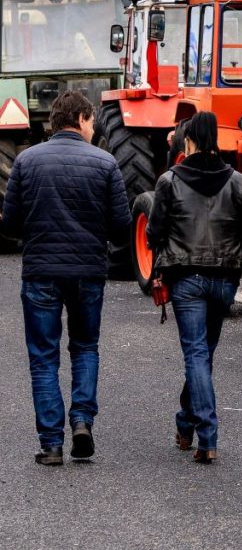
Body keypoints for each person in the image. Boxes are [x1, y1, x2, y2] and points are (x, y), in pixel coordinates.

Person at [2, 90, 130, 465]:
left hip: (41, 272)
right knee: (85, 347)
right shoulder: (105, 163)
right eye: (91, 121)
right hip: (88, 271)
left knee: (43, 358)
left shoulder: (26, 161)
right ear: (80, 119)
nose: (93, 128)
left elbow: (9, 225)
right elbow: (122, 228)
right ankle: (82, 422)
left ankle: (52, 444)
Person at [146, 112, 242, 464]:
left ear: (189, 141)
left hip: (186, 280)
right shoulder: (237, 181)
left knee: (196, 356)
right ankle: (184, 423)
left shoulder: (169, 181)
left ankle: (207, 437)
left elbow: (155, 233)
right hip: (224, 280)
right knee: (203, 355)